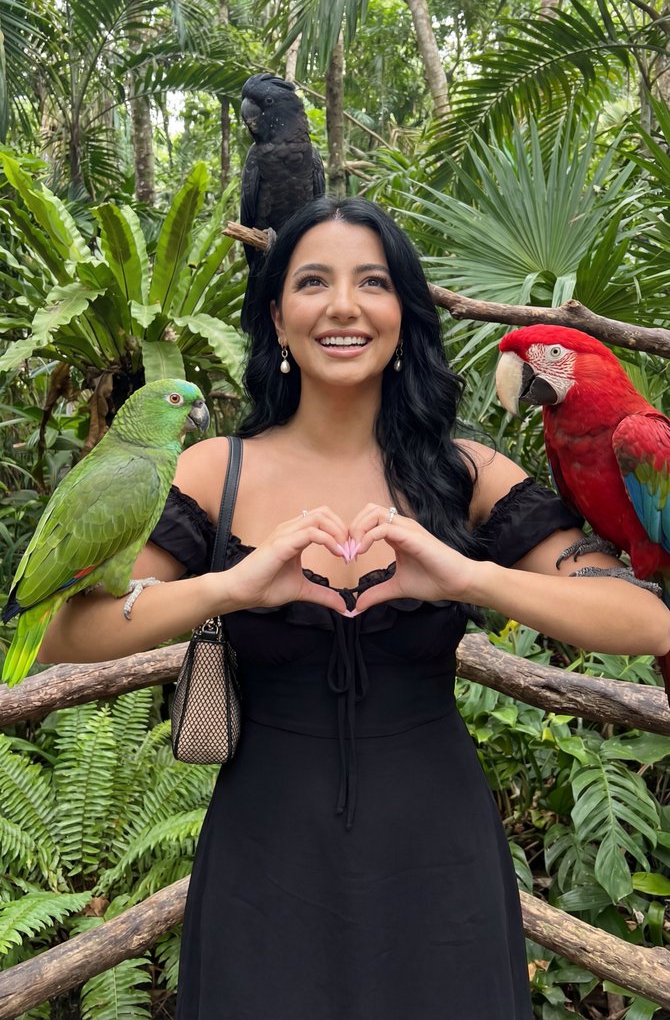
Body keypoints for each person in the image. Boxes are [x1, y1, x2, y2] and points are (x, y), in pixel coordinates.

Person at [40, 197, 670, 1020]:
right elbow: (65, 635)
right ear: (277, 316)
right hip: (261, 864)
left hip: (439, 865)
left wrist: (467, 579)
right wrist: (232, 587)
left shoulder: (467, 473)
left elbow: (647, 622)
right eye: (313, 282)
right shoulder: (206, 471)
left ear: (404, 317)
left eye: (371, 282)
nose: (342, 305)